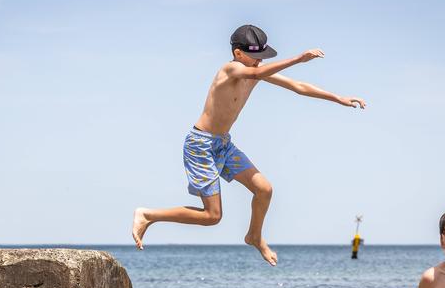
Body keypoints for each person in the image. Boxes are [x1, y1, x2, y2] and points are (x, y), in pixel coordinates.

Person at [132, 24, 365, 265]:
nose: (259, 63)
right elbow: (253, 74)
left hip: (222, 144)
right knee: (212, 216)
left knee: (264, 189)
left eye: (262, 58)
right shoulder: (230, 69)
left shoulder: (257, 70)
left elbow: (298, 87)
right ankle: (148, 215)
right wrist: (298, 58)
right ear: (238, 54)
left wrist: (338, 98)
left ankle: (254, 236)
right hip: (200, 145)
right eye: (256, 58)